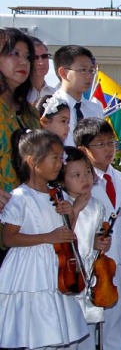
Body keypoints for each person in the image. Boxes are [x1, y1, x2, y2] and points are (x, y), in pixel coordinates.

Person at [0, 128, 88, 349]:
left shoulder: (58, 194)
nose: (60, 164)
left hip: (56, 268)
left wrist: (71, 214)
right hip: (31, 270)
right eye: (55, 158)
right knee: (37, 332)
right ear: (33, 161)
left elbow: (66, 235)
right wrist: (49, 236)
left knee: (57, 333)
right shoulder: (20, 197)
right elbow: (9, 238)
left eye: (61, 158)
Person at [74, 117, 121, 350]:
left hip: (117, 260)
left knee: (116, 319)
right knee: (85, 319)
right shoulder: (79, 181)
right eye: (101, 144)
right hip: (89, 260)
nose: (109, 149)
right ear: (83, 150)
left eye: (111, 143)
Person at [55, 146, 110, 350]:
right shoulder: (60, 203)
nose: (84, 178)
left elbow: (95, 238)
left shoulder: (97, 206)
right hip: (66, 274)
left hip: (89, 274)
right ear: (62, 180)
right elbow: (63, 237)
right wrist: (76, 209)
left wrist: (100, 243)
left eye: (87, 171)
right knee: (66, 333)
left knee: (87, 335)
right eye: (76, 175)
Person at [0, 27, 40, 265]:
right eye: (14, 53)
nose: (23, 61)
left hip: (26, 225)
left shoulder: (30, 113)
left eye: (27, 56)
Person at [53, 45, 103, 147]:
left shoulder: (95, 109)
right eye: (83, 70)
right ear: (63, 73)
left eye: (91, 70)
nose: (89, 76)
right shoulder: (50, 108)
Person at [27, 37, 56, 103]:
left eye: (44, 56)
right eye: (35, 57)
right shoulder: (17, 95)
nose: (41, 62)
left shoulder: (56, 94)